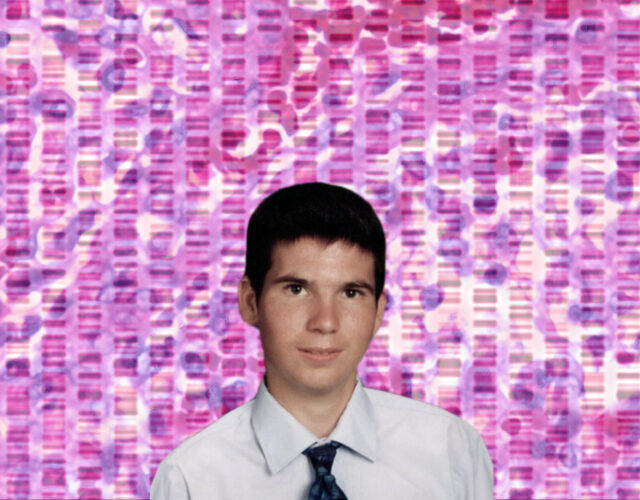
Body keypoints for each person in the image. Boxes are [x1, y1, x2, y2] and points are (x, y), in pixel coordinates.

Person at [150, 182, 494, 500]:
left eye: (351, 292)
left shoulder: (451, 450)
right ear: (250, 302)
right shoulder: (191, 478)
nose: (325, 322)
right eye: (296, 289)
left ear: (378, 311)